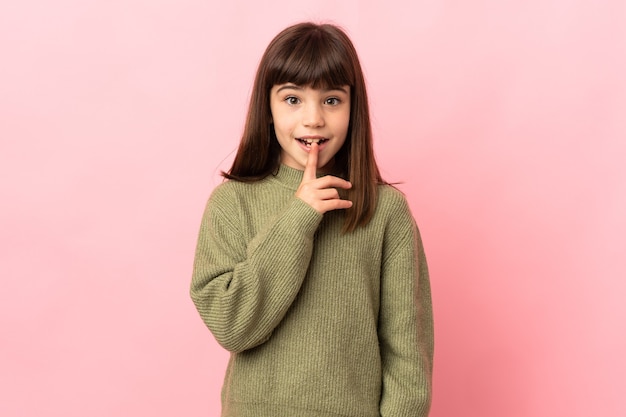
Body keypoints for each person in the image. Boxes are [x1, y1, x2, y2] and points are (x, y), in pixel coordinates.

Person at [190, 22, 434, 417]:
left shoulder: (385, 210)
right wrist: (298, 217)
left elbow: (407, 355)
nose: (313, 119)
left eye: (332, 100)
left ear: (354, 109)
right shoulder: (232, 202)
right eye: (292, 99)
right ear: (267, 108)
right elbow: (232, 325)